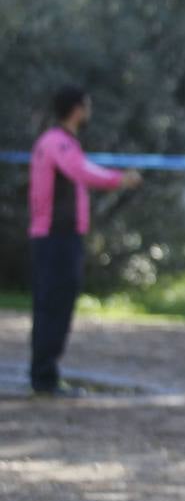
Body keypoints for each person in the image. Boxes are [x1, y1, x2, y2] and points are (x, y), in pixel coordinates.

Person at [27, 84, 141, 396]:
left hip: (56, 238)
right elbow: (82, 171)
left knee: (51, 305)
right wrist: (121, 179)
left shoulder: (56, 141)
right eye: (87, 106)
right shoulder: (59, 143)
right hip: (56, 239)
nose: (89, 111)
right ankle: (45, 378)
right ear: (77, 109)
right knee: (54, 305)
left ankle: (44, 375)